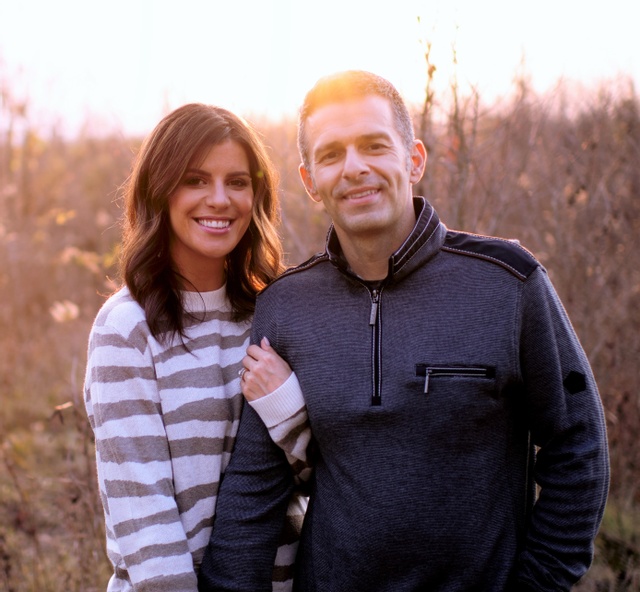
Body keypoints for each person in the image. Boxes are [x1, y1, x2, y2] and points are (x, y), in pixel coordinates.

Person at [197, 71, 610, 592]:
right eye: (332, 154)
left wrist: (537, 584)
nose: (355, 168)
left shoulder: (508, 284)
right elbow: (256, 485)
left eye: (374, 146)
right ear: (310, 181)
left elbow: (579, 448)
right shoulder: (286, 306)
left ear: (414, 159)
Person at [83, 103, 309, 592]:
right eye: (195, 180)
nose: (220, 199)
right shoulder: (127, 329)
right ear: (159, 190)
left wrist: (286, 405)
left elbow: (320, 475)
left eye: (237, 182)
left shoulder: (273, 315)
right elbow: (145, 520)